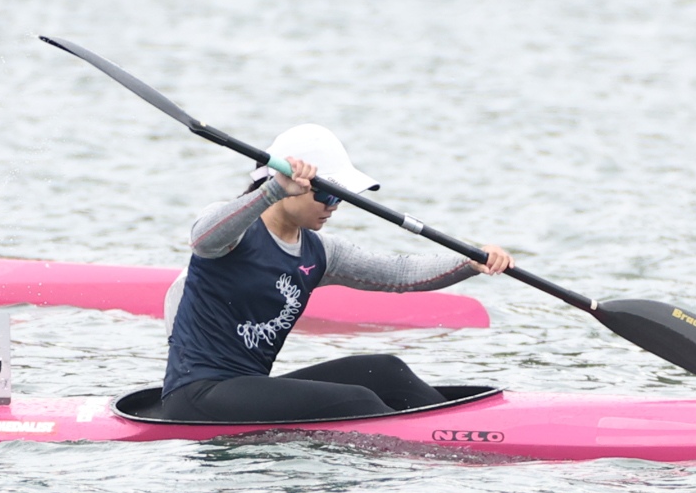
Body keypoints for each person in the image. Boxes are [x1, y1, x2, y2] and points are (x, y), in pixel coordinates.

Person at [158, 125, 512, 422]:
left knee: (386, 371)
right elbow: (202, 240)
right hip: (196, 396)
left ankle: (463, 429)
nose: (334, 207)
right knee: (357, 401)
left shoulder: (321, 252)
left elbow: (400, 273)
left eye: (340, 198)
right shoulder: (235, 230)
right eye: (327, 196)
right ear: (289, 185)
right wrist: (272, 190)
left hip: (246, 388)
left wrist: (470, 262)